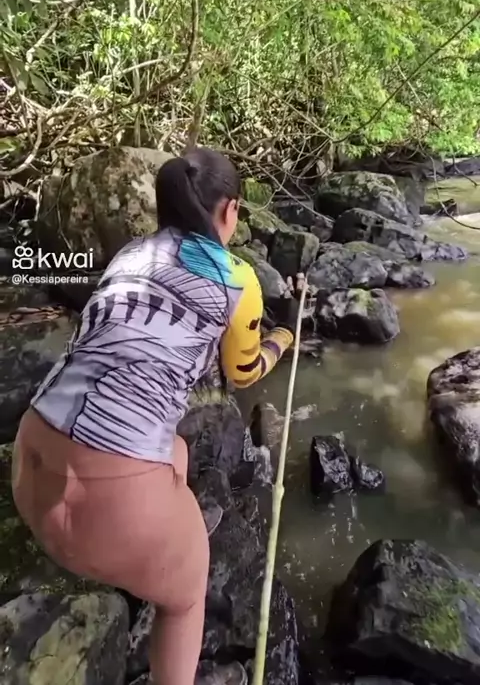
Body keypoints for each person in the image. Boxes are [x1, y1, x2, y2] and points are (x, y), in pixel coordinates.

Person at [11, 148, 301, 685]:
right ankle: (154, 556)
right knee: (187, 599)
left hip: (28, 473)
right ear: (231, 211)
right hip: (109, 507)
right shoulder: (237, 278)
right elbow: (242, 372)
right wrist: (283, 338)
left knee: (178, 449)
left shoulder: (130, 254)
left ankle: (151, 532)